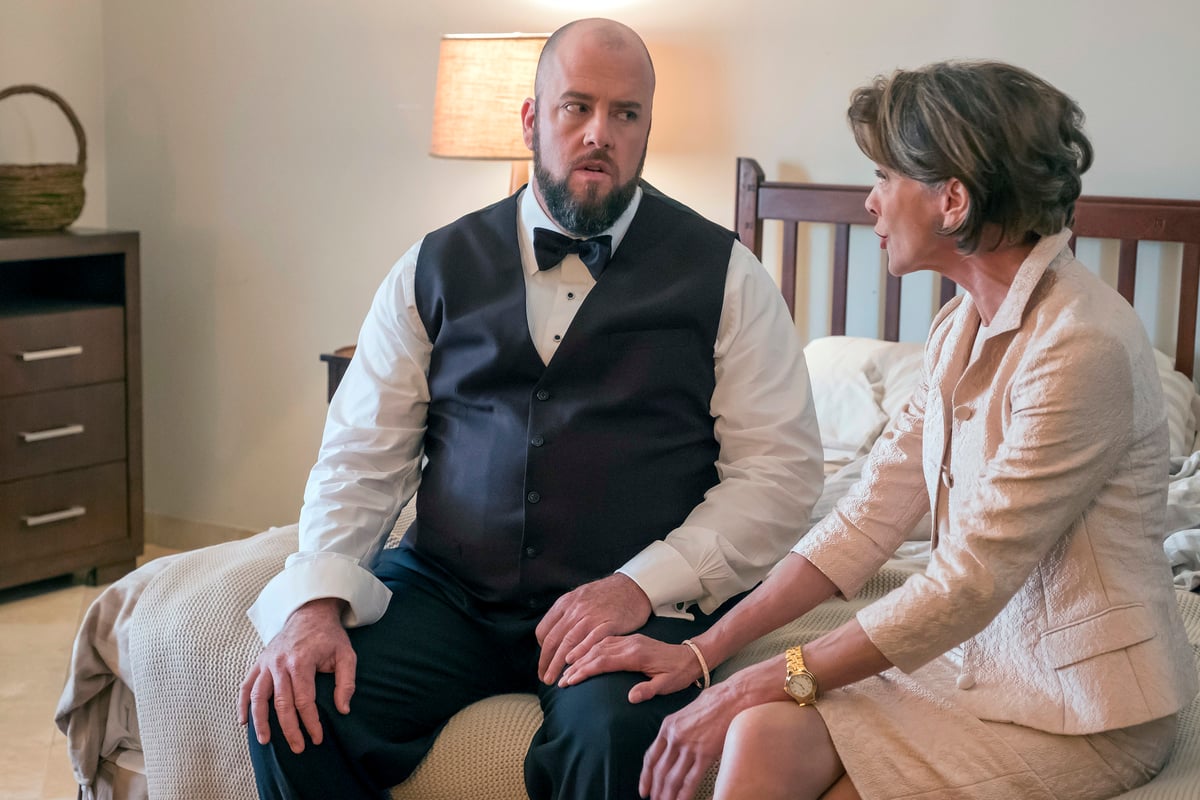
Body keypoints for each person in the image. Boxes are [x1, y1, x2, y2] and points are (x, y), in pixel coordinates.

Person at [562, 60, 1200, 800]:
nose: (869, 201)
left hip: (1079, 709)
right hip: (972, 665)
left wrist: (763, 679)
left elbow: (968, 580)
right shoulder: (959, 327)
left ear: (952, 199)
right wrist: (705, 653)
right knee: (759, 732)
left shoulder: (1080, 345)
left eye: (884, 176)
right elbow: (867, 518)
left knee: (788, 741)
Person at [235, 17, 824, 800]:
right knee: (291, 707)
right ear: (530, 120)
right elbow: (361, 455)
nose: (599, 133)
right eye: (576, 106)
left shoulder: (728, 275)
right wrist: (314, 603)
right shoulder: (430, 265)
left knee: (617, 738)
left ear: (647, 130)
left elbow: (780, 474)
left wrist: (640, 585)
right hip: (447, 589)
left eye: (626, 113)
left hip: (631, 598)